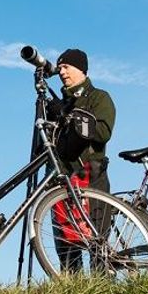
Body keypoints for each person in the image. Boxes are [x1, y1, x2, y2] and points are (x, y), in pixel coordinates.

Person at [48, 48, 116, 272]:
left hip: (91, 175)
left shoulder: (99, 97)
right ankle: (71, 293)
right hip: (60, 179)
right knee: (66, 250)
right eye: (59, 68)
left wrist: (71, 116)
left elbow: (103, 132)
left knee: (97, 245)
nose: (61, 72)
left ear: (81, 69)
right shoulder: (58, 103)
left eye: (66, 67)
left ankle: (102, 293)